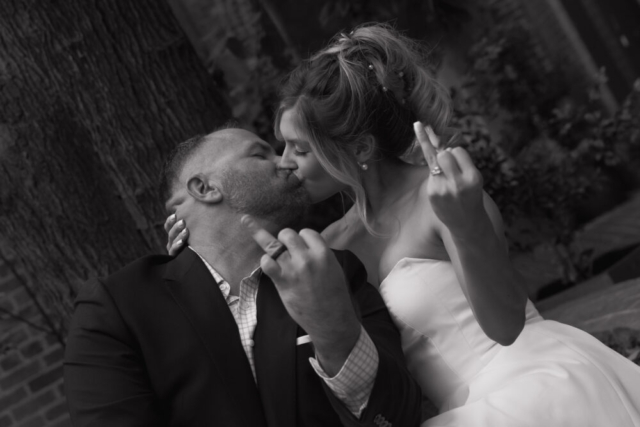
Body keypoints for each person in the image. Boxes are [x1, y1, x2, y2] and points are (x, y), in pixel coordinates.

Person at [168, 24, 640, 426]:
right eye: (281, 147)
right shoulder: (329, 244)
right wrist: (203, 254)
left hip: (536, 389)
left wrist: (468, 223)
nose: (285, 164)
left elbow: (506, 326)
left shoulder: (443, 198)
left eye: (302, 149)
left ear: (360, 150)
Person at [63, 127, 423, 426]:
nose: (286, 162)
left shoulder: (336, 272)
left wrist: (335, 329)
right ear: (204, 188)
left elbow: (398, 415)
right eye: (259, 154)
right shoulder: (119, 308)